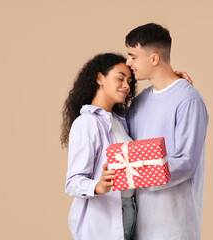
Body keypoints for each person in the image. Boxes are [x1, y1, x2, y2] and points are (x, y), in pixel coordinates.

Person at [62, 53, 191, 240]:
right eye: (120, 78)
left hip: (129, 210)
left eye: (129, 81)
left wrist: (172, 83)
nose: (126, 86)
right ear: (100, 78)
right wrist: (98, 186)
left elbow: (151, 102)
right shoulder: (87, 123)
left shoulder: (119, 120)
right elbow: (72, 182)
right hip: (103, 217)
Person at [125, 23, 209, 240]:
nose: (128, 63)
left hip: (175, 224)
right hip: (140, 224)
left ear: (154, 58)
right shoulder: (140, 102)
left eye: (133, 56)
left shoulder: (188, 100)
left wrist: (132, 173)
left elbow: (186, 162)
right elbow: (122, 144)